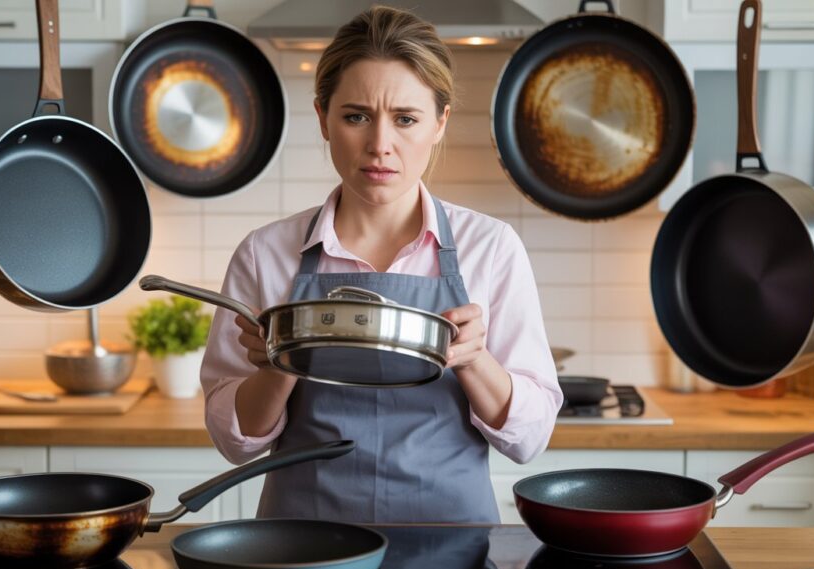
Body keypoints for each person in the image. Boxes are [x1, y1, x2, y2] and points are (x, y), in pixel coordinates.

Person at [201, 5, 562, 524]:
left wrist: (476, 360)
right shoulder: (265, 253)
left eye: (406, 119)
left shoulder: (492, 248)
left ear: (439, 123)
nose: (379, 146)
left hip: (451, 545)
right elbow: (233, 443)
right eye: (356, 116)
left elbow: (530, 440)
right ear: (323, 117)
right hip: (302, 546)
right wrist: (281, 361)